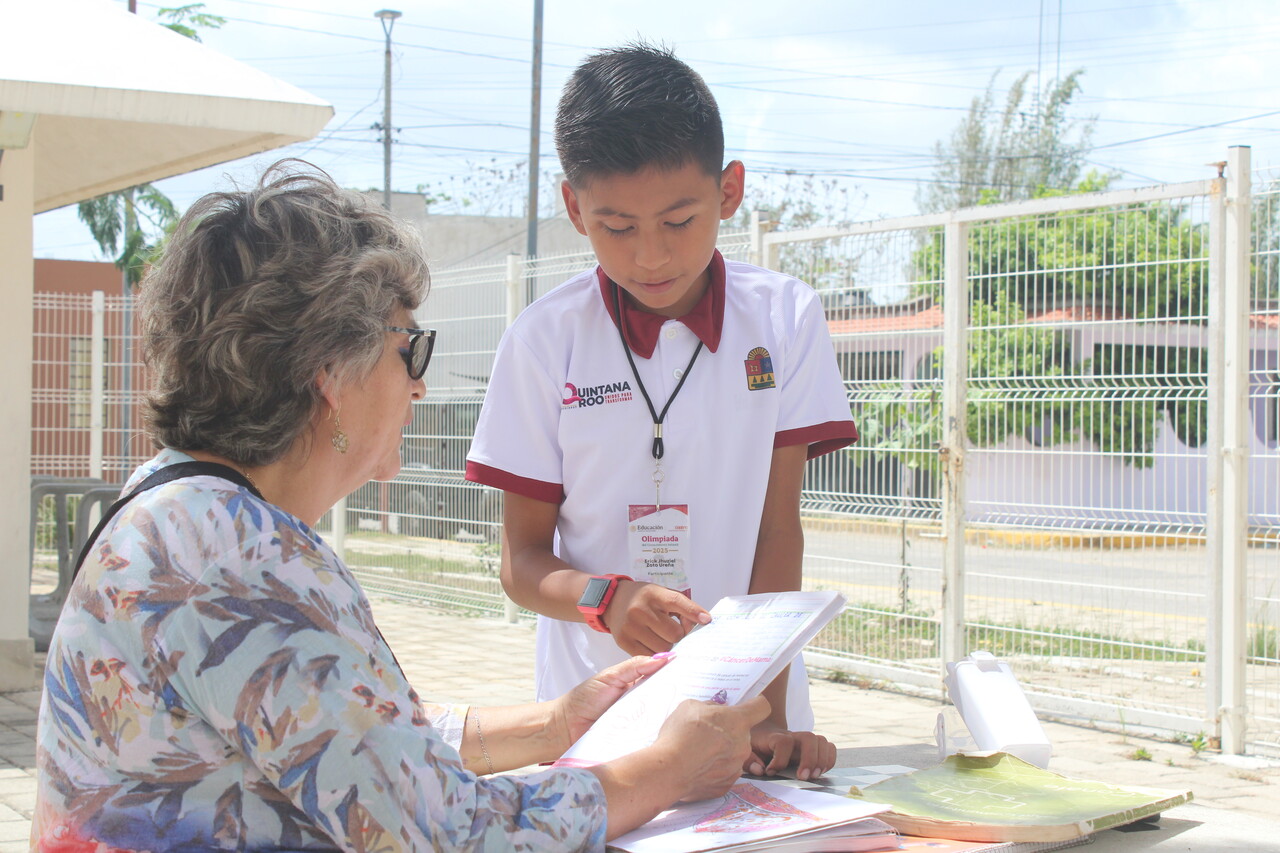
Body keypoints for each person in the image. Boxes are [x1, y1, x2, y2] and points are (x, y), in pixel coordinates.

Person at [32, 163, 769, 852]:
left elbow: (351, 740)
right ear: (330, 371)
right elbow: (443, 831)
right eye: (410, 348)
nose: (419, 385)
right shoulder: (233, 555)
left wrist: (555, 723)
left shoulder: (184, 510)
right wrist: (668, 769)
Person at [465, 43, 858, 783]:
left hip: (749, 710)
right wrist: (606, 599)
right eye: (618, 227)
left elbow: (777, 530)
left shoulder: (783, 318)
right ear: (574, 208)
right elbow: (521, 562)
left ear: (729, 191)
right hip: (598, 718)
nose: (651, 256)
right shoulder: (543, 341)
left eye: (679, 220)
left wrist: (767, 715)